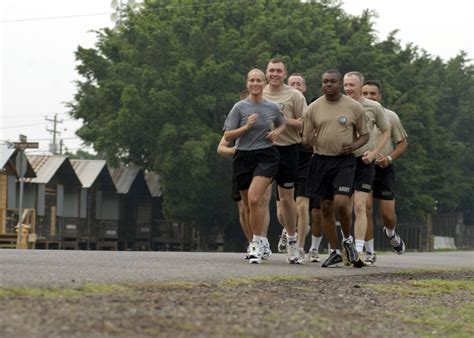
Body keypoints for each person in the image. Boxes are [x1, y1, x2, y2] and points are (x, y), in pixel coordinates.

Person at [302, 69, 369, 268]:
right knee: (325, 207)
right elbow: (305, 139)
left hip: (344, 161)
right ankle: (335, 251)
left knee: (341, 203)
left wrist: (354, 146)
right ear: (321, 84)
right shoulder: (313, 108)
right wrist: (308, 140)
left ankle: (348, 240)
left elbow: (365, 135)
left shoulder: (353, 107)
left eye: (332, 81)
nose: (328, 85)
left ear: (339, 83)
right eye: (325, 82)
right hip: (321, 160)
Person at [223, 68, 285, 264]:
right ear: (247, 83)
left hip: (266, 155)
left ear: (264, 83)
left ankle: (257, 244)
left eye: (259, 80)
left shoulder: (272, 107)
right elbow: (227, 136)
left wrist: (277, 133)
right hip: (243, 156)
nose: (255, 84)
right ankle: (258, 241)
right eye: (252, 81)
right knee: (248, 205)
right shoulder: (239, 108)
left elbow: (282, 123)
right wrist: (246, 127)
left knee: (255, 198)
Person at [343, 71, 390, 266]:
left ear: (360, 87)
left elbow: (386, 131)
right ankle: (345, 247)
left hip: (365, 161)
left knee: (360, 206)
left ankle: (359, 251)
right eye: (345, 85)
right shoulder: (338, 104)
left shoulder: (373, 107)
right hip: (343, 162)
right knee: (343, 207)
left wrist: (374, 152)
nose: (348, 89)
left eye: (351, 85)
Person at [263, 59, 307, 264]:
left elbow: (306, 124)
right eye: (271, 70)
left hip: (288, 149)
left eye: (278, 71)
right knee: (259, 198)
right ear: (266, 72)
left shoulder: (294, 95)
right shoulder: (260, 93)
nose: (274, 74)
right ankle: (259, 242)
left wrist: (283, 120)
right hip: (262, 149)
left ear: (284, 74)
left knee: (287, 198)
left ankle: (292, 241)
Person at [362, 80, 408, 264]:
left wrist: (389, 158)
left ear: (379, 96)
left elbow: (403, 143)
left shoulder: (390, 116)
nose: (369, 97)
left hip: (384, 168)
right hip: (363, 166)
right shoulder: (356, 114)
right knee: (364, 209)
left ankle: (390, 233)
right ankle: (369, 252)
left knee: (387, 215)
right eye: (365, 93)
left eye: (373, 94)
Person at [287, 73, 321, 263]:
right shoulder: (279, 105)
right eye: (292, 83)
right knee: (283, 207)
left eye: (299, 83)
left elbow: (313, 131)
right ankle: (291, 229)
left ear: (305, 88)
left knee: (302, 205)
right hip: (284, 156)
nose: (295, 86)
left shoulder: (312, 109)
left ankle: (300, 248)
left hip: (306, 159)